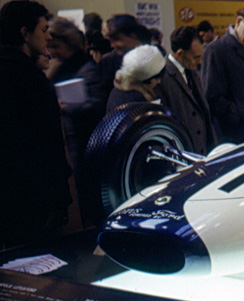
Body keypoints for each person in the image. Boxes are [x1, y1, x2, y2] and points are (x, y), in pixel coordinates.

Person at [0, 0, 73, 248]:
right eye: (43, 30)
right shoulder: (30, 80)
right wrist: (61, 198)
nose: (48, 36)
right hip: (33, 201)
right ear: (24, 33)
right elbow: (48, 146)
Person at [201, 2, 244, 144]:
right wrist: (240, 115)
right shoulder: (217, 50)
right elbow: (212, 97)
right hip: (235, 136)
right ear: (238, 21)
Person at [155, 26, 217, 155]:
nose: (200, 62)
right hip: (184, 151)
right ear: (180, 53)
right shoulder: (162, 77)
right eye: (195, 57)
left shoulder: (193, 72)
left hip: (204, 151)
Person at [86, 14, 149, 109]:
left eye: (117, 39)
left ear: (133, 36)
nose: (112, 45)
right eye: (111, 41)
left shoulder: (153, 55)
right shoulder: (108, 62)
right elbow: (100, 99)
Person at [105, 45, 166, 112]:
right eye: (156, 78)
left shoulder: (120, 91)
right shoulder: (134, 101)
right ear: (145, 79)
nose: (159, 81)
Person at [46, 17, 91, 83]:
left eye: (55, 47)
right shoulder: (58, 68)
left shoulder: (86, 71)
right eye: (48, 47)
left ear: (71, 44)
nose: (51, 52)